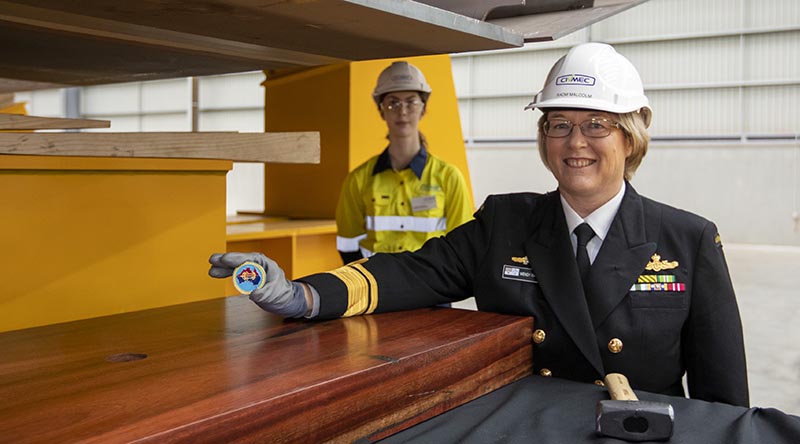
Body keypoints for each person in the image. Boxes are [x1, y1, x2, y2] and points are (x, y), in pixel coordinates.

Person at [209, 43, 749, 407]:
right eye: (558, 124)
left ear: (630, 137)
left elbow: (724, 400)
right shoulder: (506, 223)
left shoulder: (688, 240)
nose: (575, 143)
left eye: (597, 126)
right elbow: (410, 272)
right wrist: (301, 296)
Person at [335, 61, 474, 264]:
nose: (402, 111)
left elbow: (462, 245)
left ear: (423, 109)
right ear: (382, 111)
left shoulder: (449, 178)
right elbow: (348, 245)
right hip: (376, 289)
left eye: (411, 102)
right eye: (393, 103)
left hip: (431, 290)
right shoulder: (358, 180)